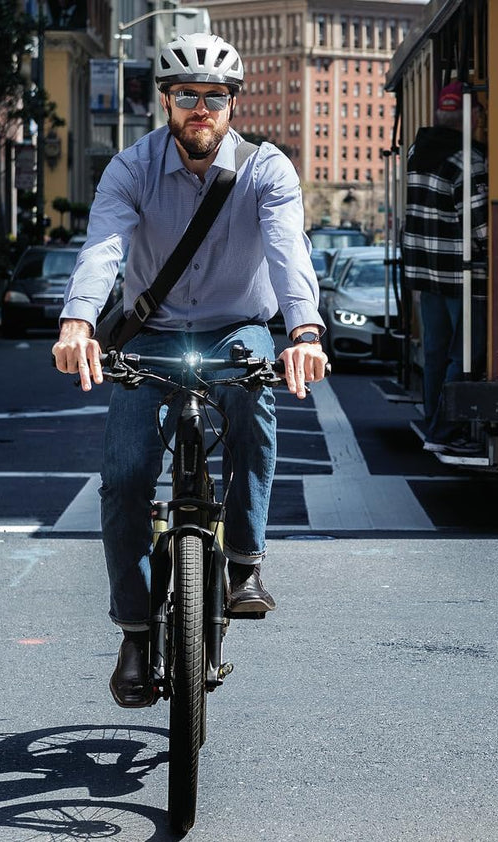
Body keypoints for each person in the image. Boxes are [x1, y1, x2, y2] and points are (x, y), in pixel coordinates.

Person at [51, 33, 328, 708]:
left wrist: (305, 332)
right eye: (185, 97)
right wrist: (78, 320)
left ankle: (244, 563)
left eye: (213, 97)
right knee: (122, 479)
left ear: (233, 103)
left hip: (238, 327)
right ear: (165, 102)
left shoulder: (266, 170)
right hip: (153, 336)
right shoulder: (131, 168)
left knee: (257, 399)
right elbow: (104, 249)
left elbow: (289, 252)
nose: (199, 110)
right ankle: (137, 633)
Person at [402, 80, 488, 456]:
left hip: (425, 272)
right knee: (466, 354)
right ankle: (444, 429)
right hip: (463, 273)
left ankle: (431, 420)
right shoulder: (468, 160)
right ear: (469, 117)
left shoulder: (417, 152)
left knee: (436, 352)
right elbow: (481, 226)